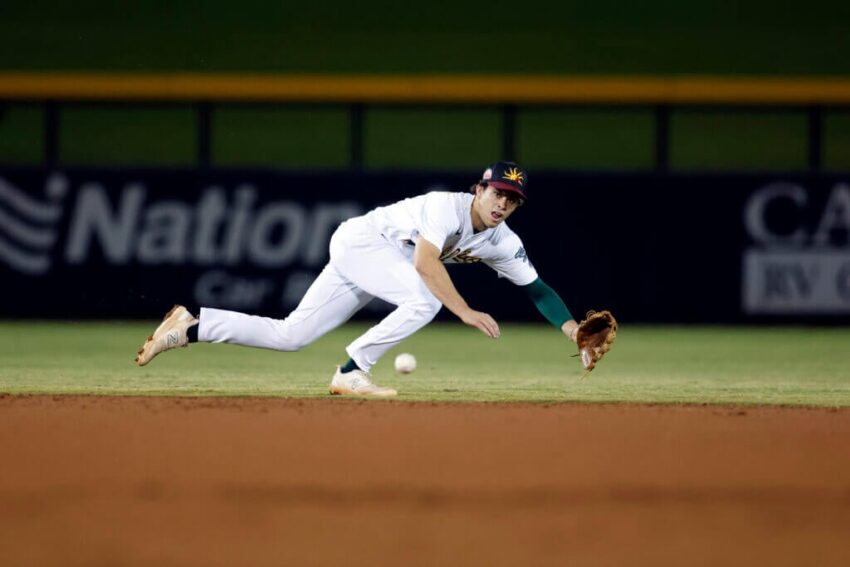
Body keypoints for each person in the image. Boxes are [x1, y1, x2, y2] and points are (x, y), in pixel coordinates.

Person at [135, 161, 581, 397]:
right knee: (425, 300)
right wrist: (463, 310)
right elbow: (426, 263)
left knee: (292, 335)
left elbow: (537, 289)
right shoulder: (446, 207)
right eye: (497, 193)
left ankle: (192, 327)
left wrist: (574, 332)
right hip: (364, 243)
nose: (502, 204)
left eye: (512, 200)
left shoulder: (503, 241)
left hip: (379, 259)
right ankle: (352, 372)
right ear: (478, 189)